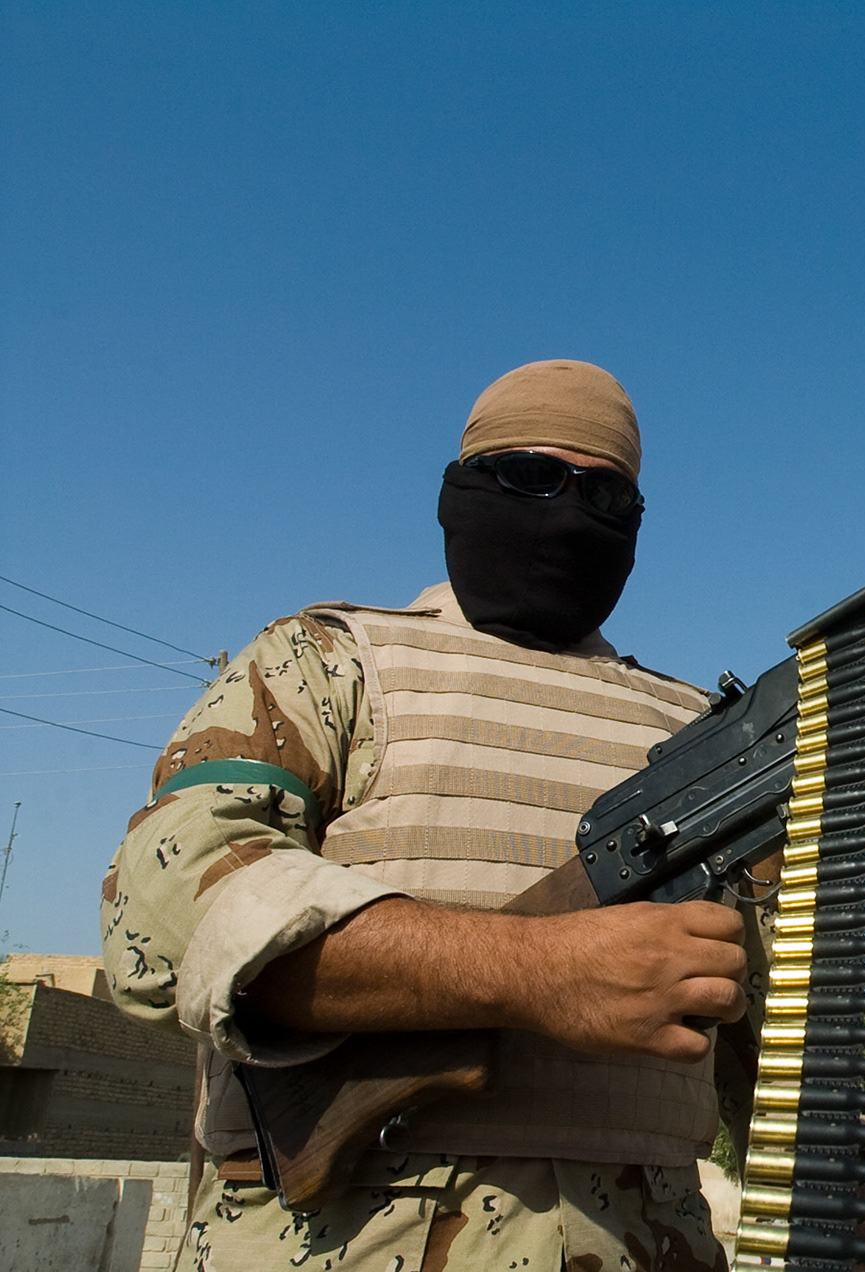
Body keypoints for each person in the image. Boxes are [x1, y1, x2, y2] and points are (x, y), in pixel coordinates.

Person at [100, 361, 765, 1270]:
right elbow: (163, 917)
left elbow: (786, 1059)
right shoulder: (324, 665)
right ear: (459, 493)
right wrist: (533, 971)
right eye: (533, 479)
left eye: (609, 497)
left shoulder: (698, 736)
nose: (570, 512)